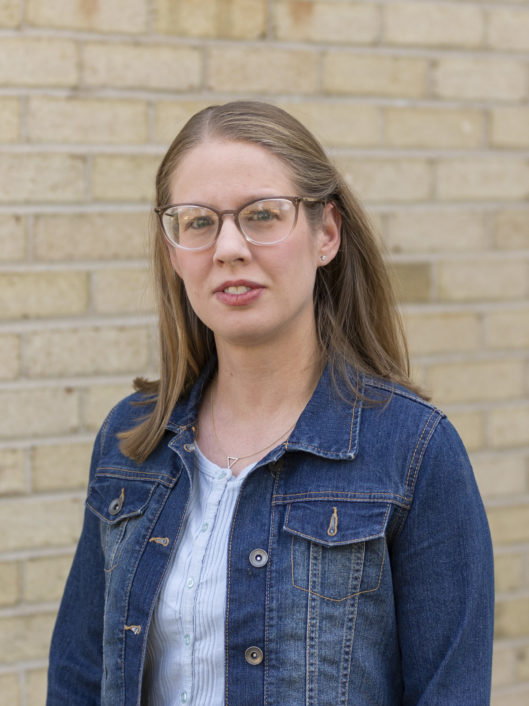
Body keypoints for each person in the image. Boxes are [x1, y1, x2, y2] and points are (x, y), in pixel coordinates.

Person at [47, 101, 494, 706]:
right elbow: (78, 676)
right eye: (198, 222)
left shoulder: (411, 451)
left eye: (262, 215)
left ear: (326, 234)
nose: (229, 248)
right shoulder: (132, 442)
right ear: (174, 251)